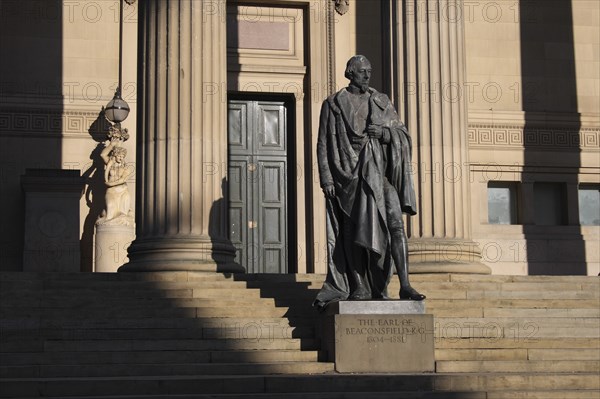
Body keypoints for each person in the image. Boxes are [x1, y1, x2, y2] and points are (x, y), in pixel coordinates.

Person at [313, 55, 425, 310]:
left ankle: (405, 284)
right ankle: (359, 285)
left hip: (377, 173)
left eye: (369, 71)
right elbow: (322, 143)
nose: (367, 76)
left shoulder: (381, 101)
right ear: (350, 73)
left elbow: (403, 135)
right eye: (363, 72)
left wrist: (385, 134)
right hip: (347, 176)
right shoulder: (332, 104)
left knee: (395, 222)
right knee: (351, 233)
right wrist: (326, 178)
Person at [96, 136, 134, 225]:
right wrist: (111, 145)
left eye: (123, 156)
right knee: (109, 209)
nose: (121, 158)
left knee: (123, 215)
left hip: (123, 190)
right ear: (115, 155)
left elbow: (122, 179)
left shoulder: (126, 168)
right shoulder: (110, 163)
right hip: (112, 191)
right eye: (119, 156)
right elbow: (102, 155)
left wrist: (109, 183)